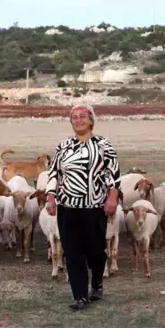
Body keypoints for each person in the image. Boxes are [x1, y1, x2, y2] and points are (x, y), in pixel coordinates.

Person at [45, 104, 121, 311]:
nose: (78, 120)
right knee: (72, 252)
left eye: (82, 117)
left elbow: (113, 174)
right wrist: (51, 198)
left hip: (94, 206)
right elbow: (54, 174)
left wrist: (112, 199)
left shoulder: (103, 145)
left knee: (96, 251)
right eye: (74, 117)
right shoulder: (63, 146)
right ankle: (80, 296)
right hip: (67, 206)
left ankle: (97, 282)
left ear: (91, 120)